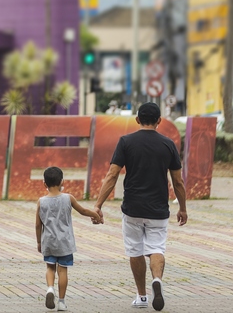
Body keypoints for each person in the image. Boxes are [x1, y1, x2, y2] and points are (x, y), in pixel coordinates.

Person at [93, 102, 187, 311]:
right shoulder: (168, 144)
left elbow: (112, 175)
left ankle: (142, 296)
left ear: (137, 120)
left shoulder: (126, 142)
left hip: (132, 208)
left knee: (135, 251)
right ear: (159, 121)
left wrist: (98, 205)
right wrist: (183, 208)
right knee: (156, 248)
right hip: (158, 209)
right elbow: (178, 182)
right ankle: (157, 280)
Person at [36, 166, 102, 311]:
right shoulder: (68, 198)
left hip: (49, 241)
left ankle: (50, 289)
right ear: (62, 182)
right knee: (63, 270)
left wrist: (39, 242)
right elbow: (83, 211)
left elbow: (37, 224)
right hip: (65, 242)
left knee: (50, 267)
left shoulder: (41, 202)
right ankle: (61, 301)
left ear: (44, 184)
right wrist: (96, 215)